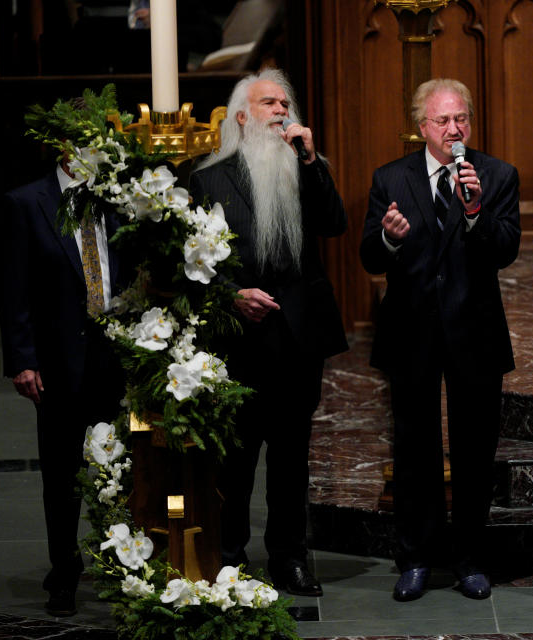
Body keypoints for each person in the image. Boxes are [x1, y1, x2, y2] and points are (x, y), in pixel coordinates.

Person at [189, 68, 348, 597]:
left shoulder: (306, 167)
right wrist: (233, 294)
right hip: (238, 338)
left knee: (291, 456)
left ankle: (289, 556)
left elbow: (334, 224)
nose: (282, 110)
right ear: (242, 116)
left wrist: (311, 160)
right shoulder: (207, 178)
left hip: (298, 337)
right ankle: (230, 555)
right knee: (235, 459)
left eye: (286, 102)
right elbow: (191, 263)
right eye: (268, 103)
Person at [361, 78, 521, 601]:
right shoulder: (390, 177)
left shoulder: (495, 175)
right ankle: (416, 558)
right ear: (420, 127)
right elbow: (369, 255)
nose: (454, 130)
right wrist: (388, 237)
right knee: (414, 450)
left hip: (474, 331)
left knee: (475, 451)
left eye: (462, 119)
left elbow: (505, 250)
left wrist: (474, 210)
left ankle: (470, 558)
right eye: (442, 121)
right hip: (412, 332)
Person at [0, 141, 125, 617]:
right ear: (67, 150)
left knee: (120, 468)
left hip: (117, 356)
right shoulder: (27, 203)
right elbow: (14, 291)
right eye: (92, 143)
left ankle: (122, 569)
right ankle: (64, 573)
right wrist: (22, 360)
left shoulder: (118, 198)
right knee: (63, 473)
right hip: (58, 360)